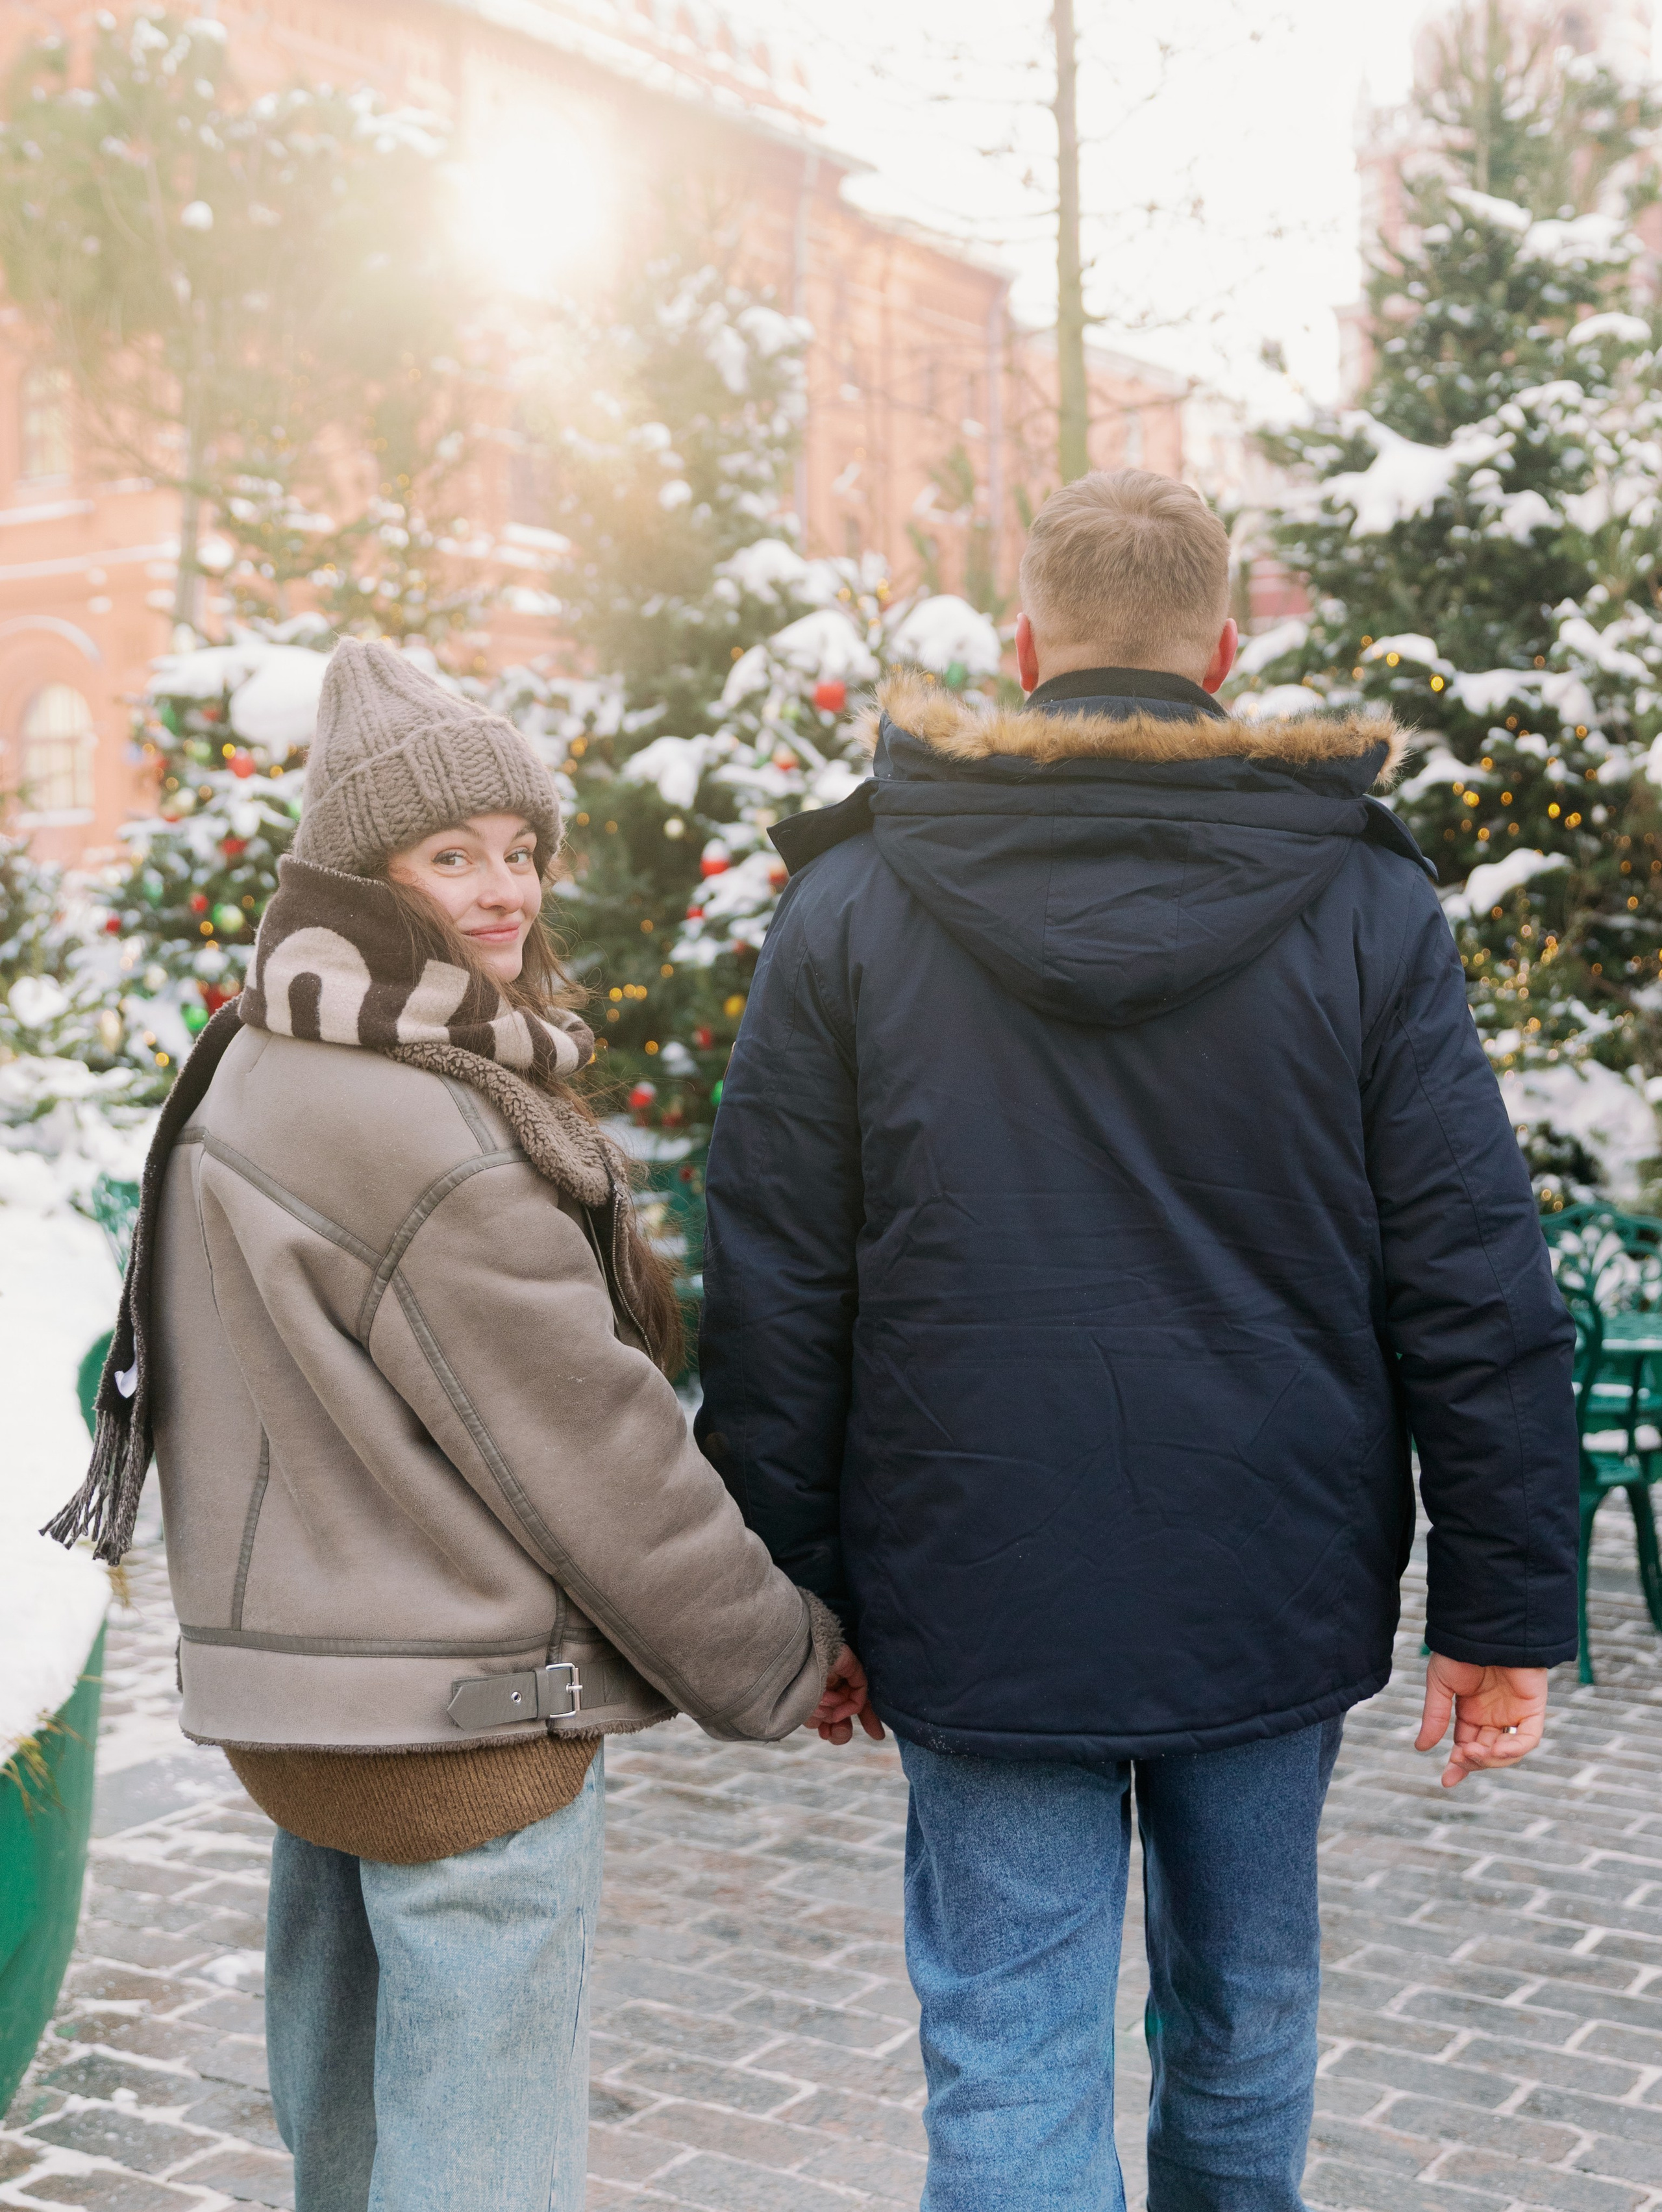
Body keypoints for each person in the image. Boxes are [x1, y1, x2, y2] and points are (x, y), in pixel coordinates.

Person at [695, 469, 1580, 2211]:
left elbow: (777, 1277)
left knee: (1007, 2044)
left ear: (1023, 649)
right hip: (1272, 1559)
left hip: (972, 1566)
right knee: (1247, 2013)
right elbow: (1472, 1268)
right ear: (1227, 654)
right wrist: (1503, 1610)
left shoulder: (855, 901)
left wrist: (789, 1593)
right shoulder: (1366, 902)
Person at [47, 639, 863, 2212]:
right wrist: (782, 1655)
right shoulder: (421, 1117)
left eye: (520, 851)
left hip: (304, 1707)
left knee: (347, 2140)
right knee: (479, 2160)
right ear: (365, 871)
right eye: (451, 855)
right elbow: (594, 1451)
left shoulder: (252, 1057)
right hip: (467, 1718)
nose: (504, 891)